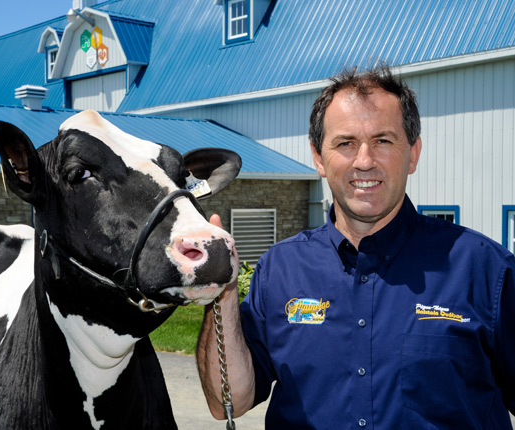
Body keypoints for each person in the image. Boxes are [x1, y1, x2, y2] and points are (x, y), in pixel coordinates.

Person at [197, 65, 515, 429]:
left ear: (413, 153)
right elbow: (228, 403)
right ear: (318, 158)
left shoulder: (486, 270)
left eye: (383, 140)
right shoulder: (279, 270)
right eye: (346, 143)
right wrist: (221, 296)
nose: (364, 161)